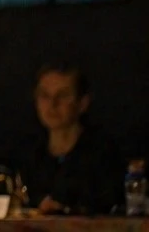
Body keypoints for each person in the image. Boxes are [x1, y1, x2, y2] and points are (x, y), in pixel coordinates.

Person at [17, 64, 124, 215]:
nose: (52, 104)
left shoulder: (103, 154)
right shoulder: (28, 154)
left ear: (82, 103)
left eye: (62, 95)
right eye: (45, 96)